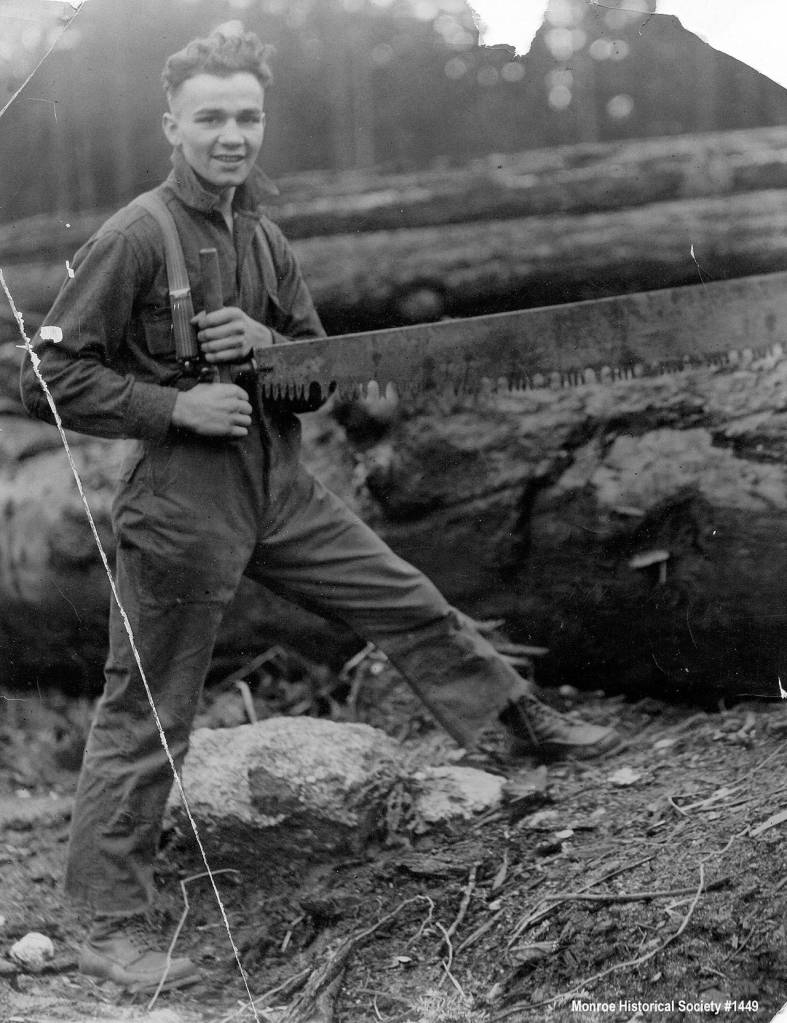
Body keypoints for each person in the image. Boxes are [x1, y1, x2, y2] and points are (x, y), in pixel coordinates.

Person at [20, 28, 621, 994]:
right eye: (210, 117)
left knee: (405, 598)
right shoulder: (135, 234)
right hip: (180, 504)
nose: (231, 136)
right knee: (149, 714)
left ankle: (517, 725)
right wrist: (172, 405)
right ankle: (105, 924)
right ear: (171, 124)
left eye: (246, 117)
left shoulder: (265, 240)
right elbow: (45, 373)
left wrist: (268, 347)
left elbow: (319, 379)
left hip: (281, 487)